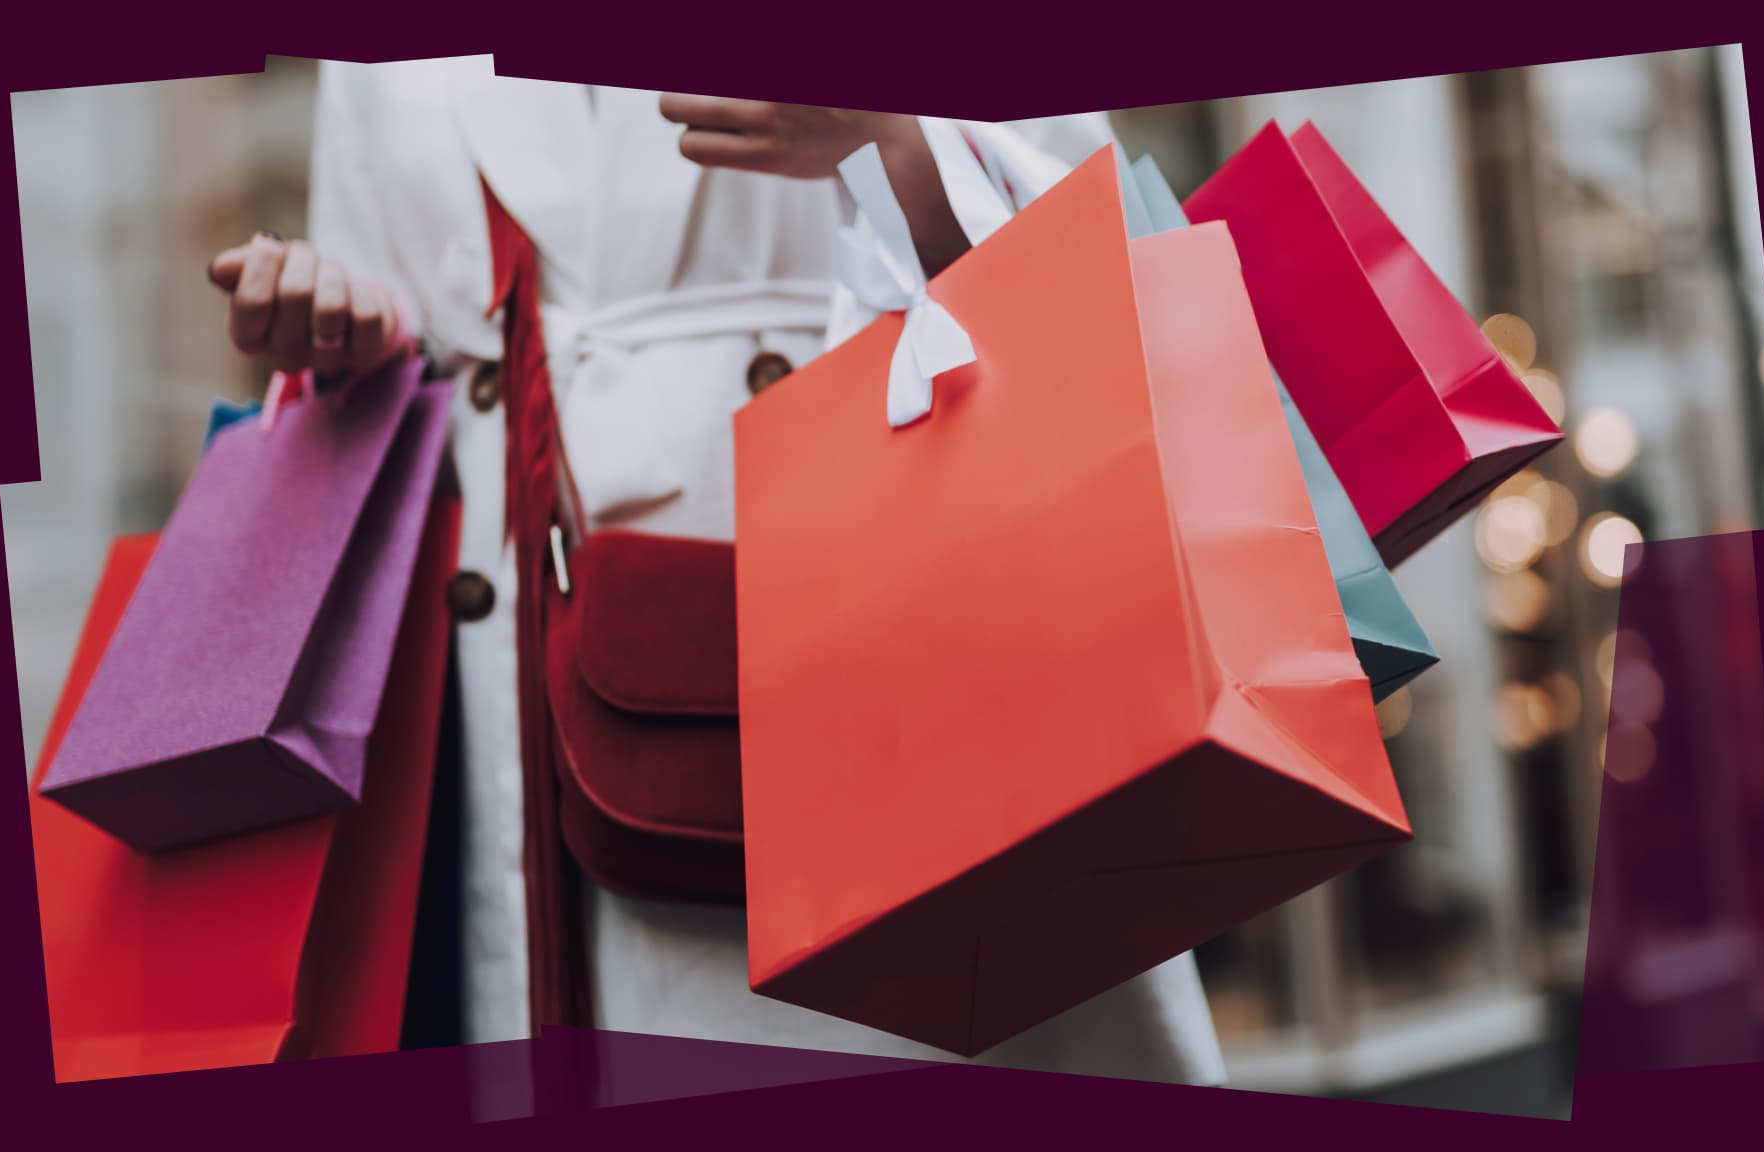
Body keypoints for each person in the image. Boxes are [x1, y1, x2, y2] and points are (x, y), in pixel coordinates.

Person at [207, 54, 1227, 1086]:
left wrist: (901, 149)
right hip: (530, 717)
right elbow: (403, 323)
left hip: (881, 627)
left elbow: (1119, 265)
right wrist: (342, 324)